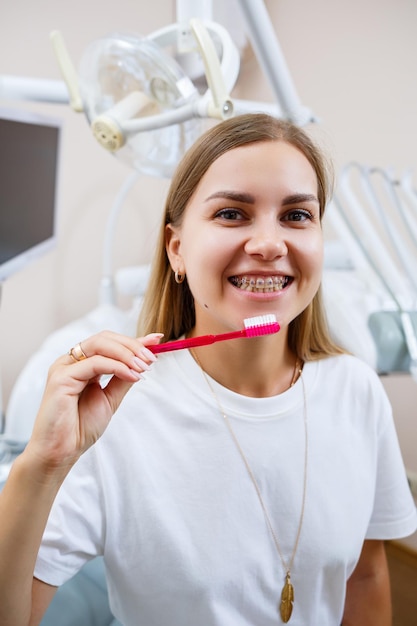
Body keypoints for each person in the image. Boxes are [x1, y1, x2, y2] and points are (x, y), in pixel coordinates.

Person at [0, 113, 416, 626]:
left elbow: (366, 576)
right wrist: (41, 464)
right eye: (232, 214)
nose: (269, 244)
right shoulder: (116, 415)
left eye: (297, 216)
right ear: (177, 249)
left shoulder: (357, 389)